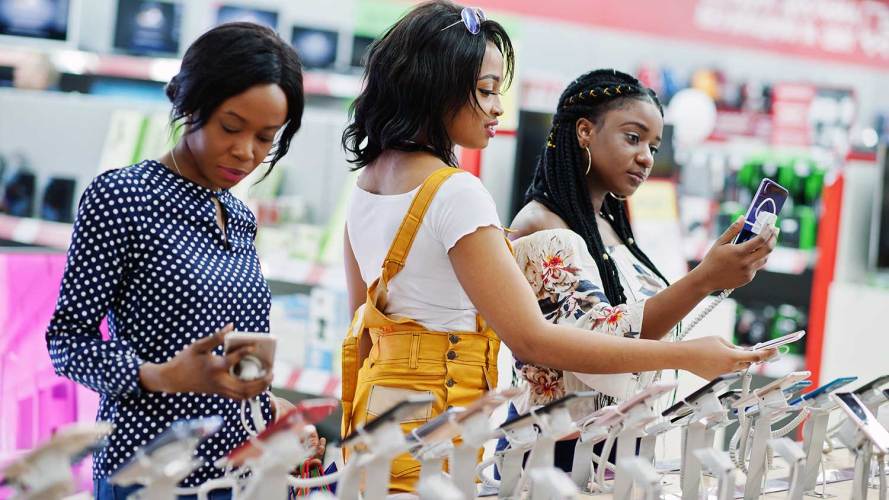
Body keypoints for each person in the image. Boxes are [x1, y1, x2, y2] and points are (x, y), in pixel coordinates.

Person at [339, 1, 772, 493]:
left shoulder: (367, 185)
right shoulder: (456, 193)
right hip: (444, 429)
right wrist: (685, 355)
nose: (499, 107)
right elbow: (533, 339)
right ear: (434, 84)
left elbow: (364, 318)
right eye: (485, 91)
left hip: (378, 418)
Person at [45, 22, 304, 499]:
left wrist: (269, 405)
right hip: (151, 474)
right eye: (231, 126)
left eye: (266, 138)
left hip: (239, 472)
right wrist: (157, 376)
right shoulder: (124, 197)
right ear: (190, 105)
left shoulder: (239, 216)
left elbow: (227, 357)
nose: (246, 152)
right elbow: (66, 342)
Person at [497, 68, 779, 472]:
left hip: (616, 443)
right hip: (551, 452)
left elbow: (639, 326)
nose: (646, 156)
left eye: (653, 144)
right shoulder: (541, 225)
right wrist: (703, 283)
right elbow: (598, 343)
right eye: (633, 137)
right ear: (584, 132)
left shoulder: (611, 225)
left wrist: (716, 278)